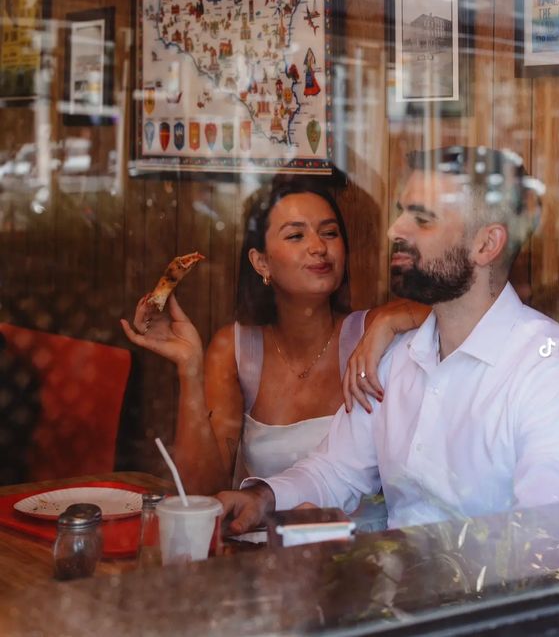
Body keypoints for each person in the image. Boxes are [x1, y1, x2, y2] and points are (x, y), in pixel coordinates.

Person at [218, 146, 559, 532]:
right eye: (400, 212)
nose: (395, 230)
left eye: (421, 219)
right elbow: (337, 468)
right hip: (392, 592)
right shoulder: (395, 356)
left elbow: (550, 542)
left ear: (486, 244)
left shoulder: (554, 374)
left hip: (488, 596)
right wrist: (263, 499)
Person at [121, 176, 427, 494]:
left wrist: (390, 319)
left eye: (330, 233)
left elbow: (460, 314)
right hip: (262, 538)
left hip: (359, 541)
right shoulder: (236, 349)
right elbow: (203, 492)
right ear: (261, 262)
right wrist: (189, 367)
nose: (319, 247)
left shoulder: (372, 331)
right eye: (296, 235)